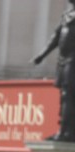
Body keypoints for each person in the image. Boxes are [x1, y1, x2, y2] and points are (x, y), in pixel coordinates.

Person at [33, 0, 75, 141]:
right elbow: (55, 37)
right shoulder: (67, 15)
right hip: (63, 60)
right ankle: (63, 131)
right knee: (63, 96)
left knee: (68, 94)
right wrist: (42, 55)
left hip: (73, 60)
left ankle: (66, 132)